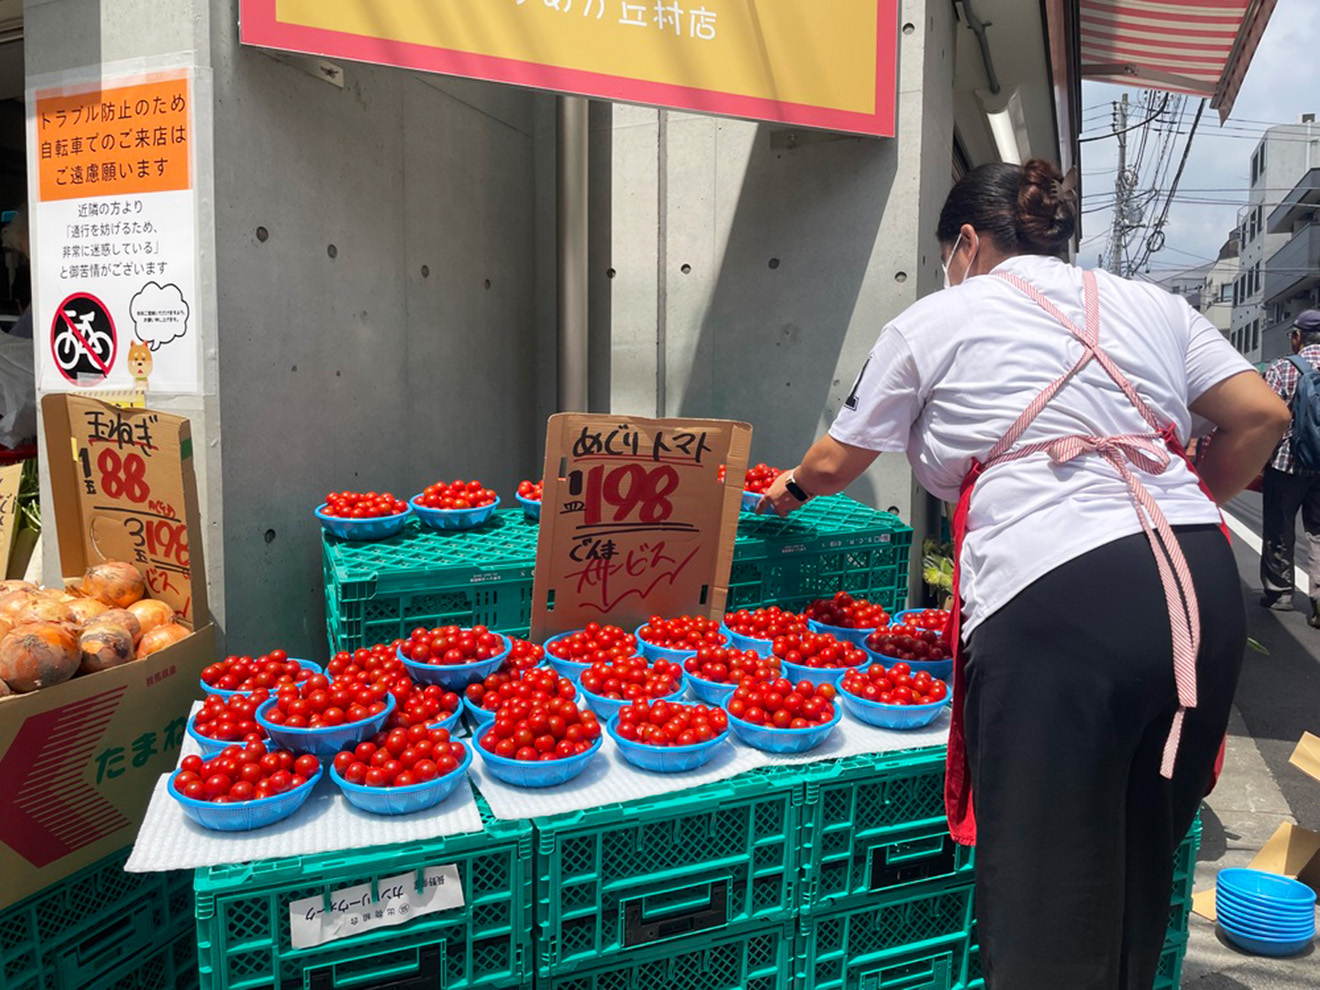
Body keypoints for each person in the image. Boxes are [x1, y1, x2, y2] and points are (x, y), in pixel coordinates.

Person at [758, 160, 1289, 989]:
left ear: (966, 242)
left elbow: (833, 460)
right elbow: (1263, 416)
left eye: (947, 252)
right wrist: (1184, 499)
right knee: (1139, 857)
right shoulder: (1155, 304)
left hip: (1063, 600)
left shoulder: (939, 317)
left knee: (1051, 894)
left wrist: (782, 491)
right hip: (1201, 586)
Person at [1259, 311, 1320, 624]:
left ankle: (1280, 593)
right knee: (1319, 532)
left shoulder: (1284, 367)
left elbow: (1270, 418)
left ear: (1298, 337)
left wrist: (1261, 458)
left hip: (1288, 463)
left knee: (1279, 527)